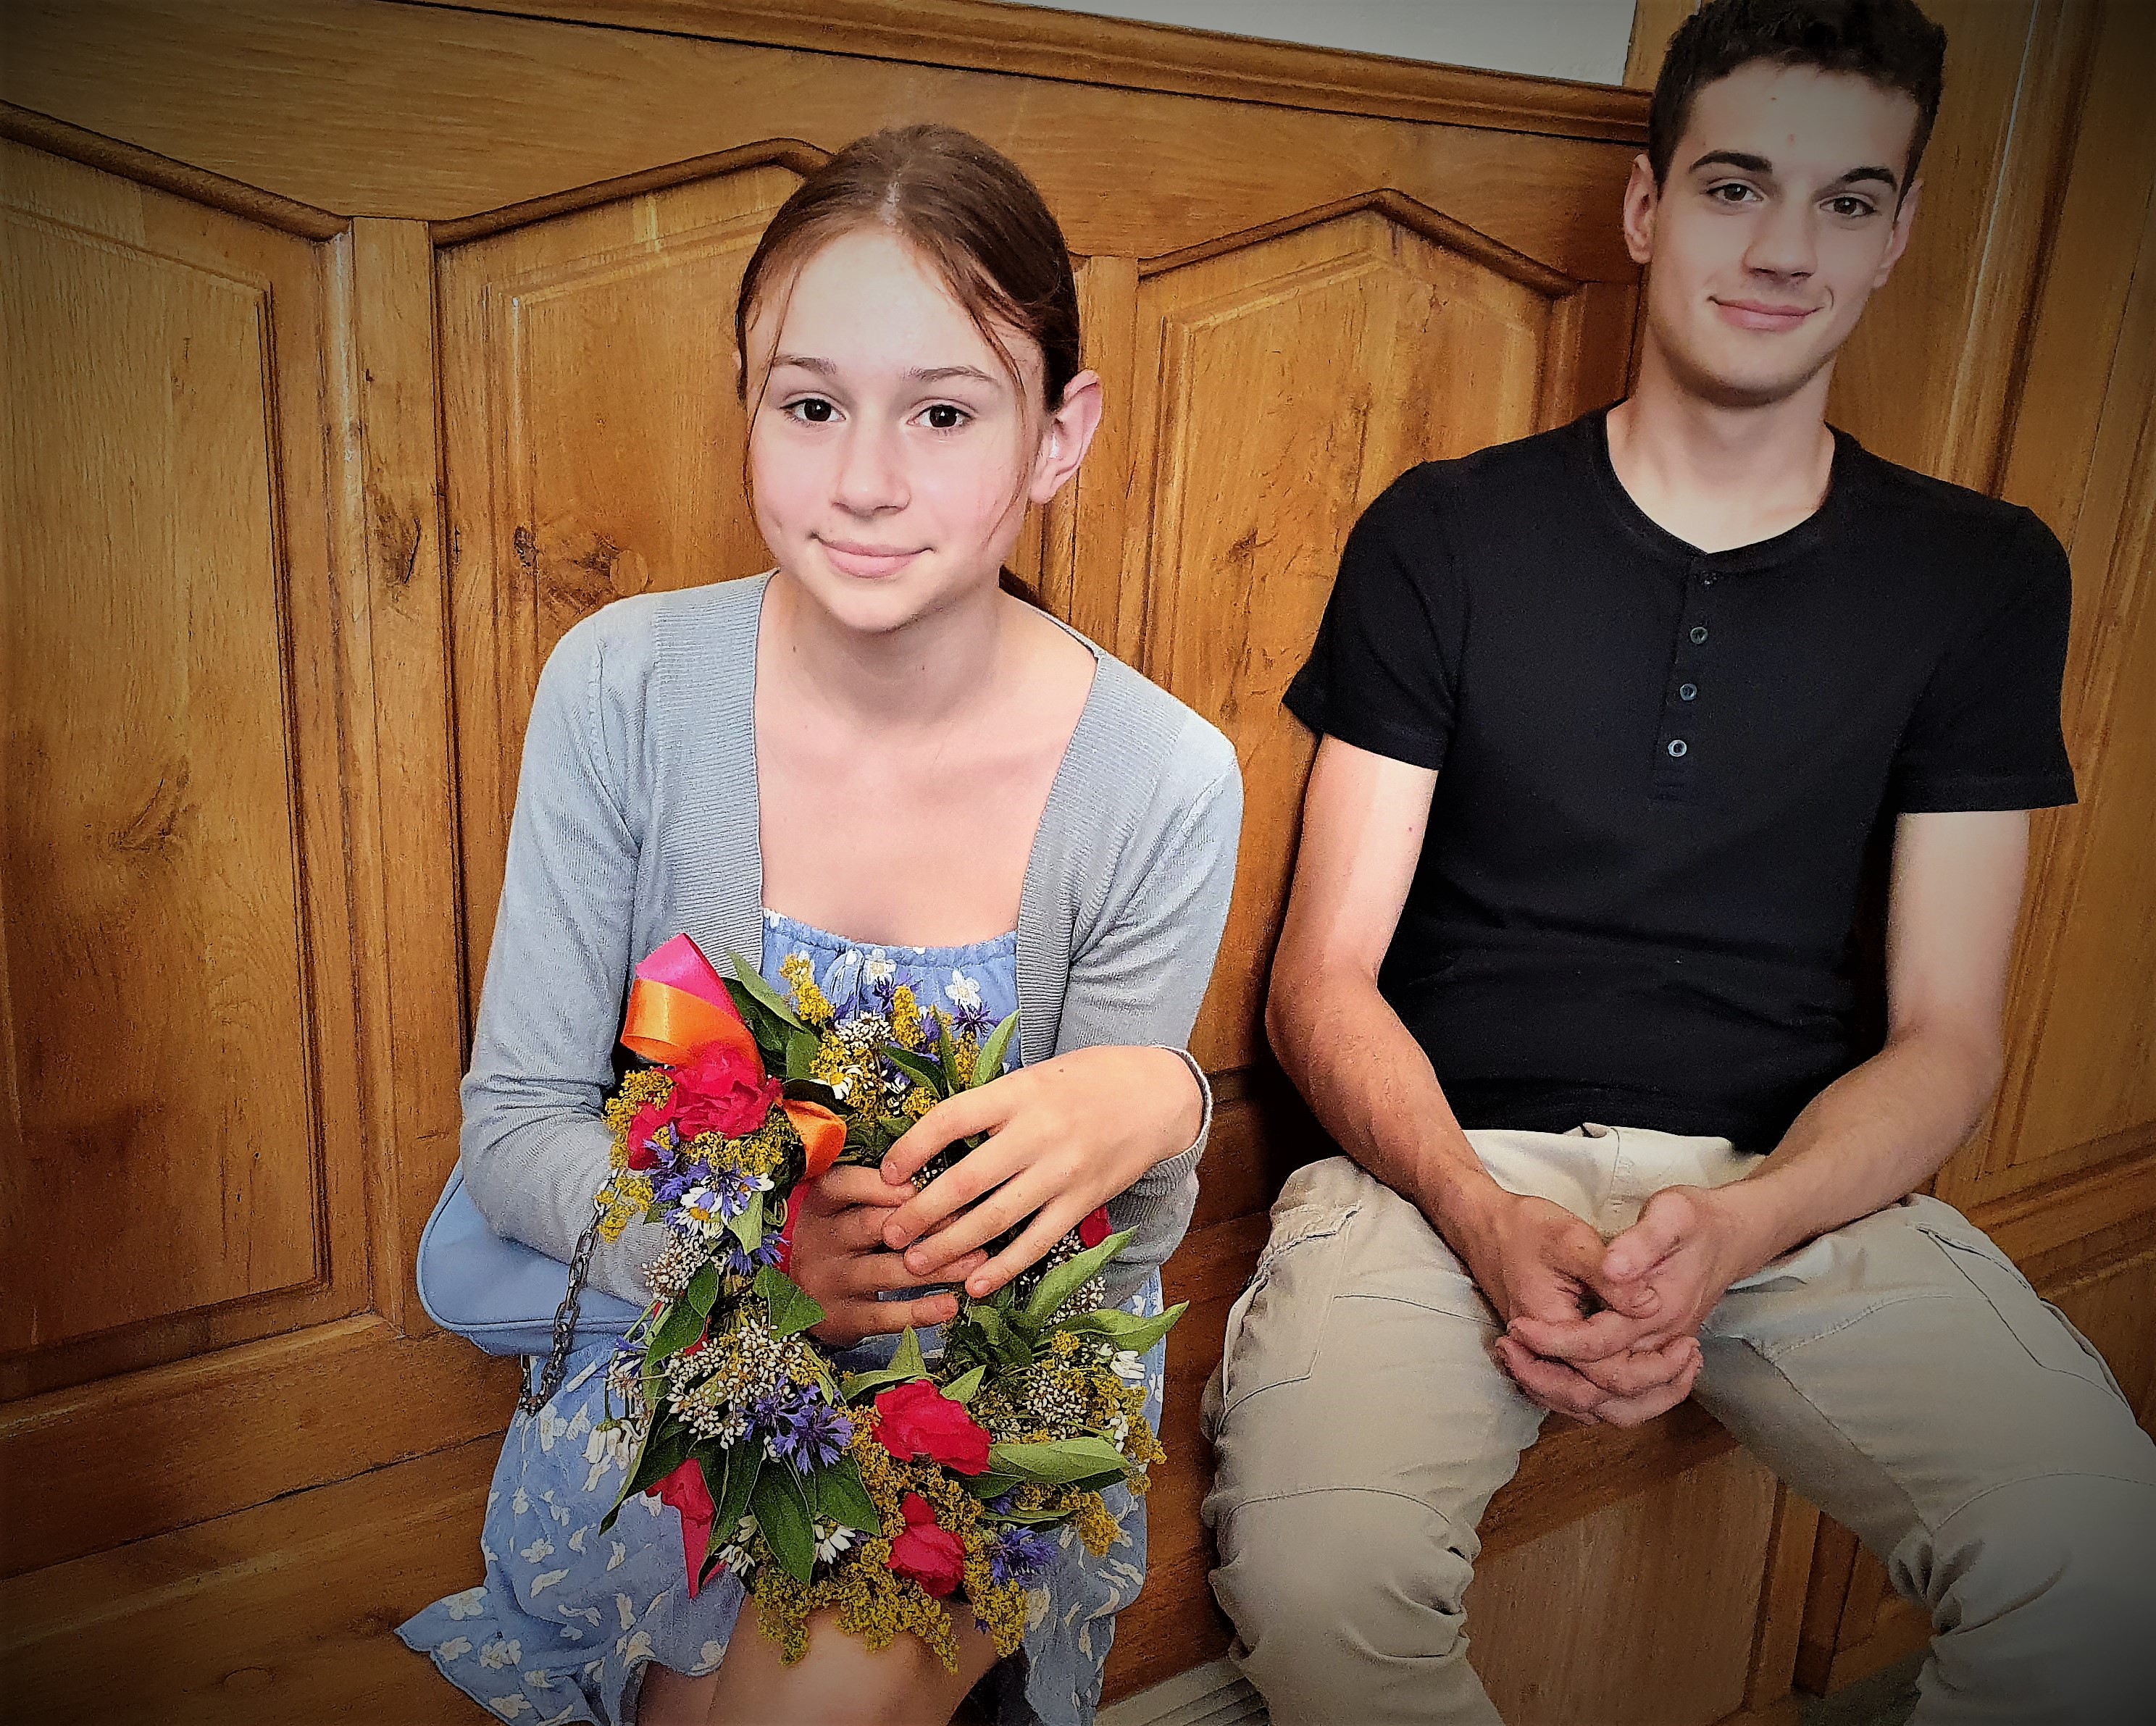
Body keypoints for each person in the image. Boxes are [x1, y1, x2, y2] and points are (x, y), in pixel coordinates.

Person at [1202, 2, 2156, 1722]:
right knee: (1328, 1586)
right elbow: (1319, 981)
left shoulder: (1983, 575)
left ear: (1898, 237)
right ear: (1648, 209)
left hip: (1792, 1186)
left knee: (2112, 1570)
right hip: (1442, 1167)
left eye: (1848, 201)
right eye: (1735, 186)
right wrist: (1480, 1209)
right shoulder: (1447, 532)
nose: (1786, 247)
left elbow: (1950, 1038)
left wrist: (1745, 1221)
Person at [400, 125, 1242, 1726]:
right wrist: (755, 1263)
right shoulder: (624, 688)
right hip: (687, 1362)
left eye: (945, 412)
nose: (864, 479)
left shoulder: (1160, 779)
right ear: (747, 406)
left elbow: (1102, 1261)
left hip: (972, 1415)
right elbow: (513, 1133)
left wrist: (1166, 1100)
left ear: (1059, 435)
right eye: (810, 406)